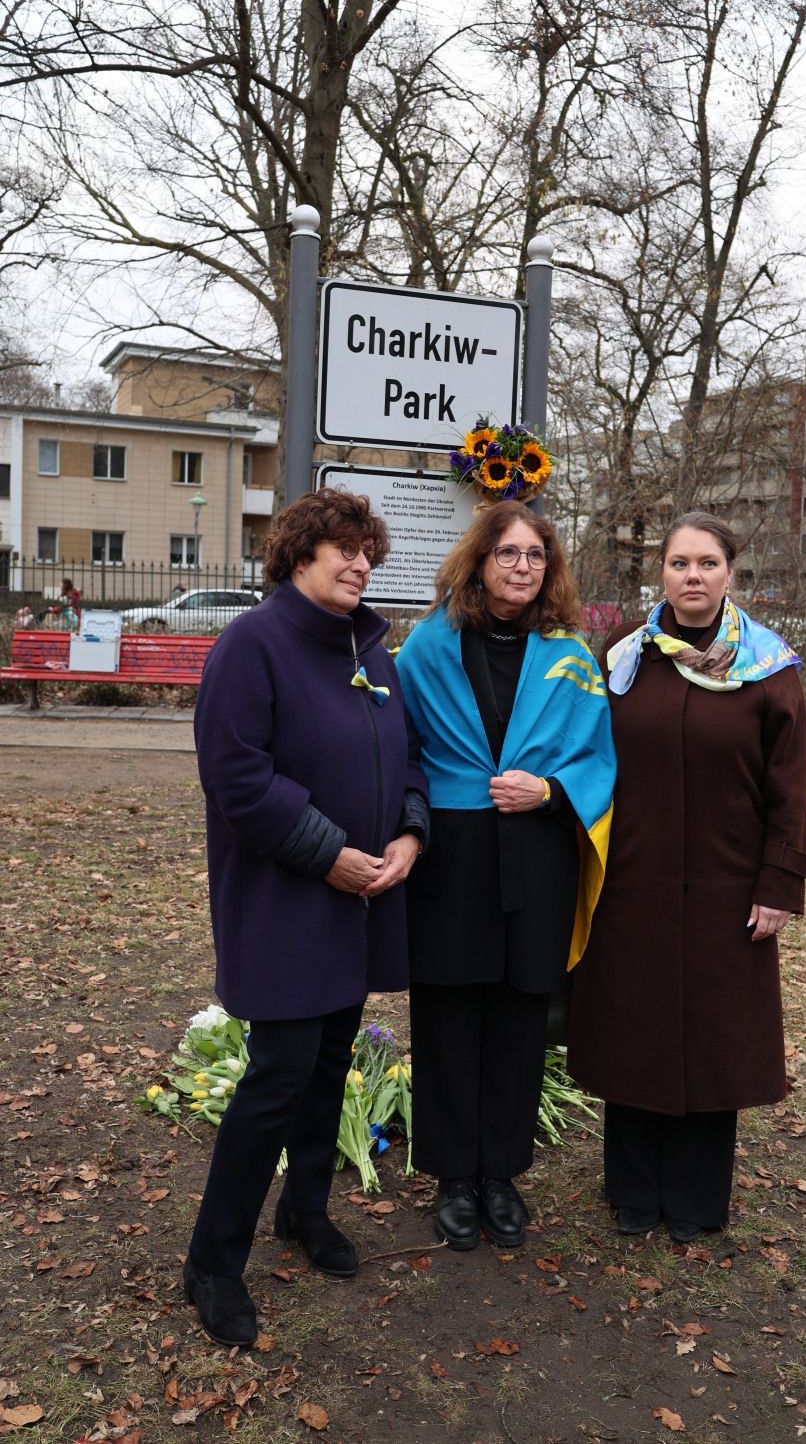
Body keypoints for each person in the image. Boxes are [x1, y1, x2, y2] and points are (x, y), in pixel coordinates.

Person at [183, 488, 429, 1347]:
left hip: (361, 899)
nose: (361, 564)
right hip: (289, 898)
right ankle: (213, 1262)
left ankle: (305, 1210)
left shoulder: (373, 649)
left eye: (369, 552)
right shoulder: (252, 645)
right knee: (277, 1078)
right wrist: (326, 850)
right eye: (345, 549)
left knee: (331, 1065)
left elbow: (409, 757)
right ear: (297, 556)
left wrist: (410, 831)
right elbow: (238, 776)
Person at [568, 511, 806, 1242]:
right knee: (632, 1033)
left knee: (714, 1040)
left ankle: (698, 1200)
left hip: (727, 888)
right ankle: (633, 1192)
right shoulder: (622, 657)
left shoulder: (770, 669)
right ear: (661, 574)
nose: (693, 577)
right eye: (680, 564)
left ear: (730, 573)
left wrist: (779, 883)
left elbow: (789, 789)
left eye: (707, 563)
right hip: (631, 882)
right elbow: (586, 760)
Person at [395, 501, 616, 1251]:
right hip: (453, 856)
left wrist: (548, 792)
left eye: (536, 556)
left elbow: (598, 762)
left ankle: (502, 1175)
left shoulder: (572, 658)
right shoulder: (426, 649)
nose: (522, 566)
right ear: (478, 563)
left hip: (536, 856)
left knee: (521, 1021)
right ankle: (454, 1178)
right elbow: (400, 752)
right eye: (508, 553)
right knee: (450, 1017)